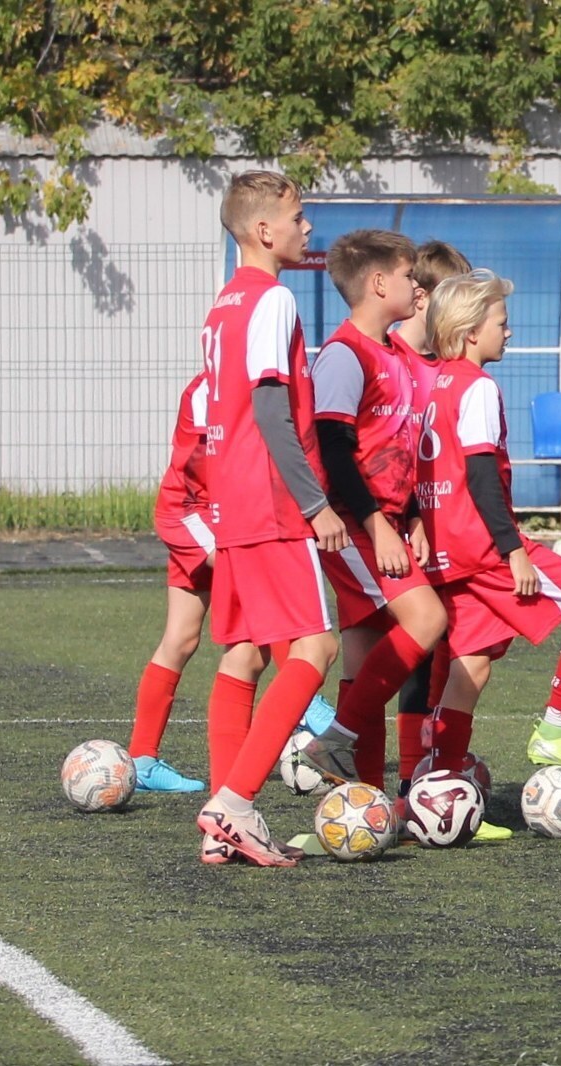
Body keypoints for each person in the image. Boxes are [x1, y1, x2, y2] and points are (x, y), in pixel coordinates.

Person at [415, 269, 561, 781]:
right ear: (471, 332)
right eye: (501, 322)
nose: (509, 332)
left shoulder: (438, 385)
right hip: (483, 548)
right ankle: (556, 727)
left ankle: (440, 784)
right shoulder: (477, 386)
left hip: (448, 549)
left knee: (470, 662)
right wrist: (514, 551)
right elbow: (480, 474)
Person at [196, 170, 345, 867]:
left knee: (245, 653)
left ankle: (220, 823)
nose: (306, 227)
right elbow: (268, 407)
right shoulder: (272, 297)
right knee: (316, 650)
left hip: (232, 499)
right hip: (271, 502)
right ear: (264, 230)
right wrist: (315, 504)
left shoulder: (222, 305)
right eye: (297, 216)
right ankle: (234, 804)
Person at [296, 230, 448, 801]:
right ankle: (335, 739)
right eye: (410, 277)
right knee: (427, 621)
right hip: (355, 525)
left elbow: (398, 449)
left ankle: (362, 798)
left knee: (362, 659)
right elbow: (334, 450)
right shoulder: (345, 353)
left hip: (383, 522)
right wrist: (378, 524)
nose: (417, 286)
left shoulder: (393, 353)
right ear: (380, 283)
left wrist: (412, 515)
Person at [391, 240, 473, 795]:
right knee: (408, 645)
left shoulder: (444, 368)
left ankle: (428, 771)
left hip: (432, 524)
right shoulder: (390, 357)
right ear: (422, 298)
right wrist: (407, 518)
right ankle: (402, 776)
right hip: (386, 527)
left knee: (445, 642)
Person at [126, 371, 213, 793]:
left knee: (181, 638)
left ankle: (142, 759)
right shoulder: (207, 389)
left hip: (221, 516)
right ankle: (311, 712)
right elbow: (209, 465)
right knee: (264, 595)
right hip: (194, 515)